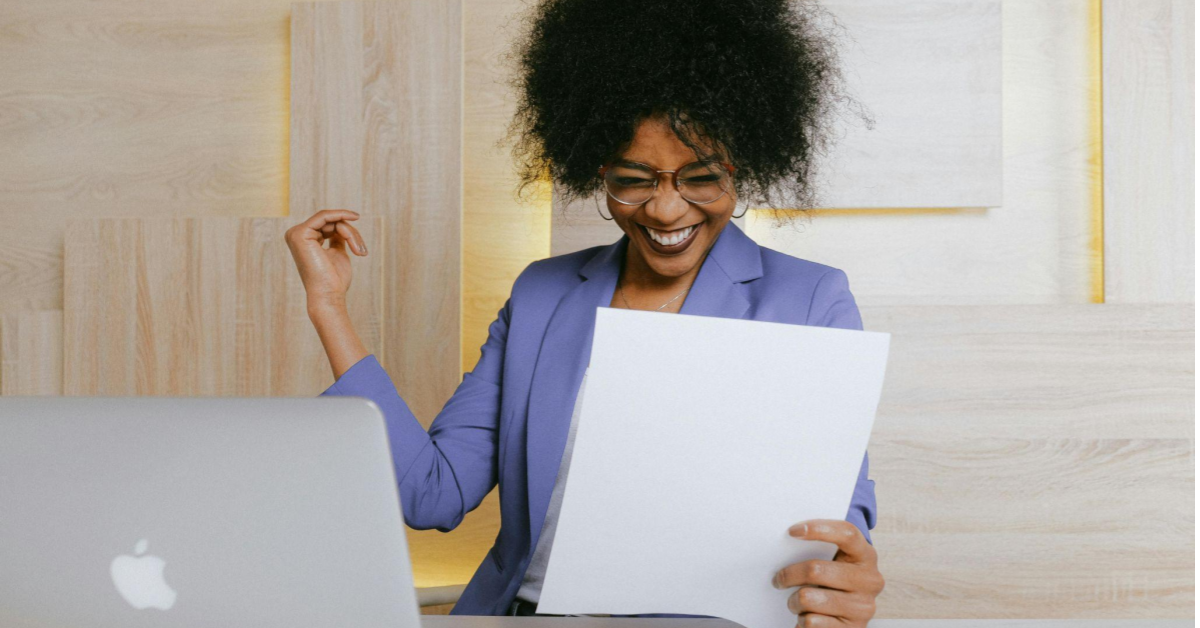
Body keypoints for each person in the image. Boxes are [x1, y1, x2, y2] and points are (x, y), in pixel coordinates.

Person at [285, 0, 884, 625]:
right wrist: (329, 307)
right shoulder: (542, 295)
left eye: (700, 177)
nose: (666, 209)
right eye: (635, 178)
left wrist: (845, 573)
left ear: (743, 167)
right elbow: (430, 494)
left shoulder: (808, 300)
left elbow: (840, 511)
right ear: (598, 171)